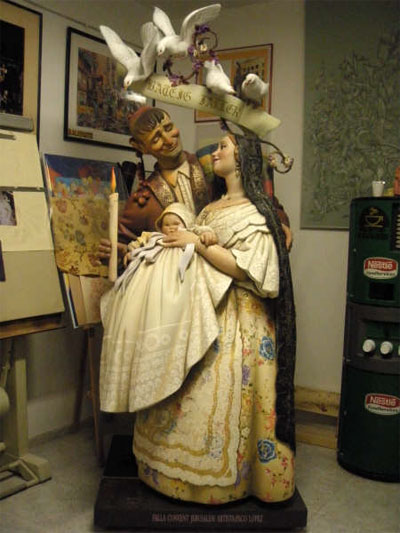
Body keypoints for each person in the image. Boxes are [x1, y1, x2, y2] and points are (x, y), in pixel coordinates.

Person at [131, 133, 296, 504]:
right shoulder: (211, 208)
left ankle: (223, 482)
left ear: (242, 157)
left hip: (237, 316)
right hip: (200, 306)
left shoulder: (257, 211)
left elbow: (246, 268)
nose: (215, 152)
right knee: (180, 388)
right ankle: (167, 470)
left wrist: (197, 244)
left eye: (223, 146)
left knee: (218, 397)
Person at [97, 107, 293, 265]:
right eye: (156, 139)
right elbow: (126, 246)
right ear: (141, 147)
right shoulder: (144, 199)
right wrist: (119, 253)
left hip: (223, 268)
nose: (168, 140)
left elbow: (257, 195)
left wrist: (280, 221)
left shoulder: (211, 163)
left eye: (168, 128)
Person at [99, 202, 230, 415]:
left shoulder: (190, 235)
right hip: (149, 287)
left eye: (176, 223)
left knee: (174, 314)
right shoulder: (154, 238)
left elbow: (205, 233)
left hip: (177, 283)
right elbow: (136, 246)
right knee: (135, 317)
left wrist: (205, 236)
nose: (171, 228)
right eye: (166, 224)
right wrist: (130, 252)